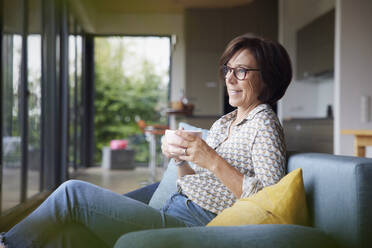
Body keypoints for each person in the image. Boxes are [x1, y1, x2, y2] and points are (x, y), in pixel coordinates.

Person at [0, 33, 292, 248]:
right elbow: (193, 180)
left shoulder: (264, 123)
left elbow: (269, 199)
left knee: (72, 193)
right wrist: (180, 159)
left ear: (267, 78)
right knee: (67, 236)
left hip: (194, 223)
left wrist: (212, 160)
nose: (229, 78)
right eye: (228, 70)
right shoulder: (224, 122)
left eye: (241, 71)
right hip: (176, 207)